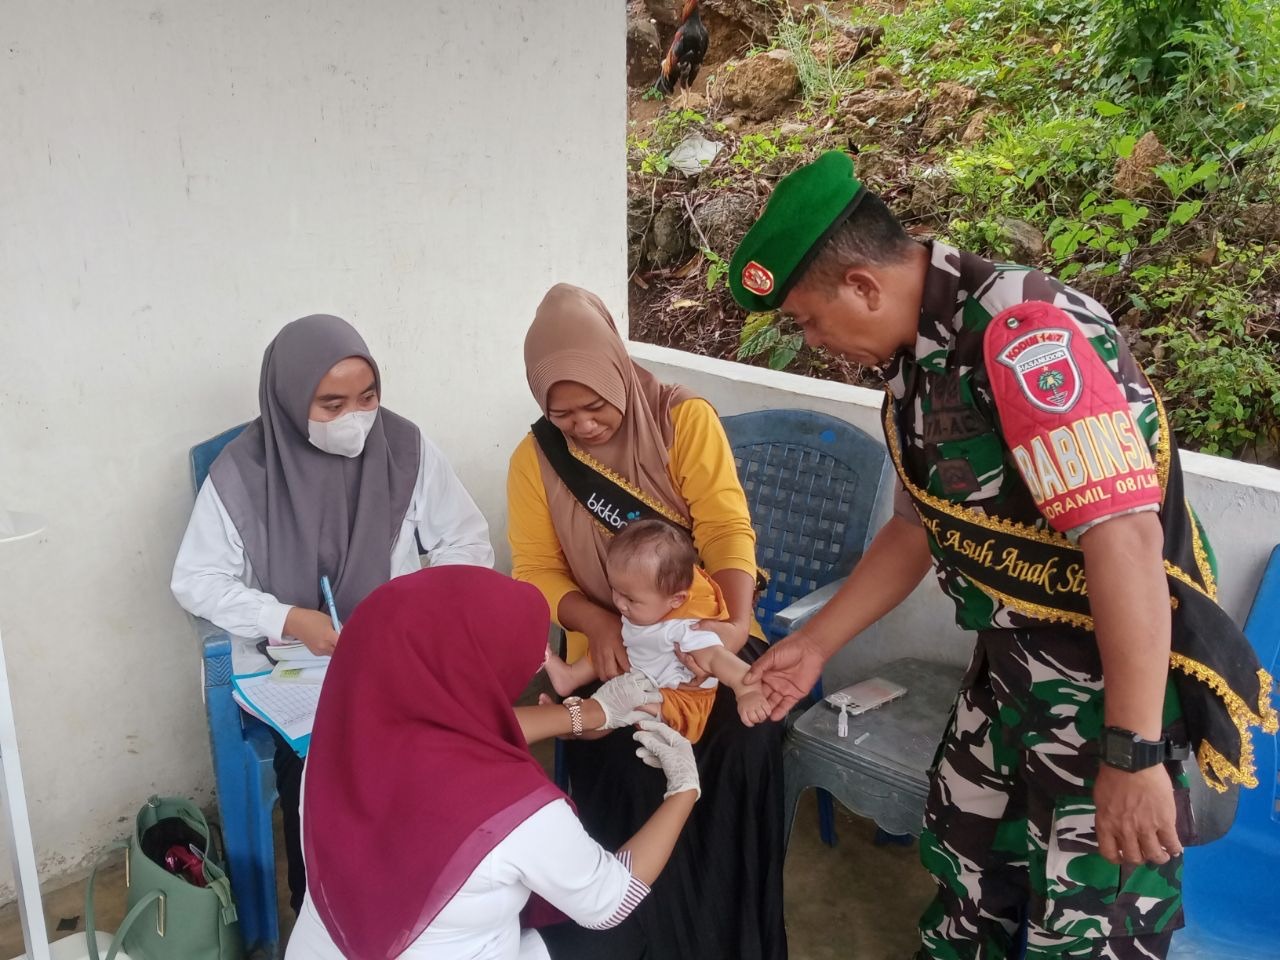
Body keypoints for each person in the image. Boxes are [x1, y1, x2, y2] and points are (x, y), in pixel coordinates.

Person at [728, 151, 1278, 960]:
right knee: (965, 880)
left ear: (863, 286)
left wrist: (1133, 753)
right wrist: (813, 645)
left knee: (1092, 931)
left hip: (1105, 692)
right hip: (1008, 673)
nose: (813, 341)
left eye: (808, 320)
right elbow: (920, 528)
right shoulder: (915, 365)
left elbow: (1122, 539)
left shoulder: (1025, 334)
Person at [171, 314, 495, 913]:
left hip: (397, 650)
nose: (356, 417)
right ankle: (326, 906)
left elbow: (469, 542)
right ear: (291, 399)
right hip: (295, 665)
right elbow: (195, 580)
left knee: (447, 740)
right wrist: (288, 618)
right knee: (321, 756)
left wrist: (413, 604)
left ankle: (429, 897)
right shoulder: (245, 472)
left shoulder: (404, 447)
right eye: (332, 402)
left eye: (367, 396)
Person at [507, 283, 787, 959]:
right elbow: (537, 570)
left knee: (747, 749)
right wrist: (598, 624)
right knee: (633, 771)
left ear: (619, 373)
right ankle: (645, 938)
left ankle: (733, 936)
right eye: (562, 412)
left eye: (596, 404)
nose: (583, 425)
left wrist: (735, 625)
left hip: (704, 638)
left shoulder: (680, 421)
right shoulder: (536, 460)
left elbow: (724, 529)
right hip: (612, 655)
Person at [285, 565, 698, 960]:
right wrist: (683, 788)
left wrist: (590, 713)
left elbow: (462, 733)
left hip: (326, 948)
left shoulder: (341, 742)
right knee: (629, 931)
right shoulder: (516, 810)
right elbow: (609, 899)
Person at [543, 518, 770, 738]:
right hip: (641, 676)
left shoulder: (685, 631)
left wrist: (747, 692)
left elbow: (719, 660)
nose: (620, 603)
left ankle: (566, 726)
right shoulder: (645, 610)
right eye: (615, 590)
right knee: (610, 649)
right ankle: (570, 678)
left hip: (675, 702)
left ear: (676, 600)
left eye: (631, 600)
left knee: (615, 709)